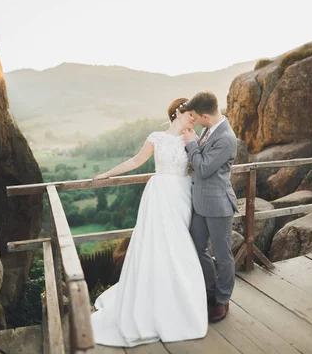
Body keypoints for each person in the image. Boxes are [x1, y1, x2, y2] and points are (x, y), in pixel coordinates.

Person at [90, 98, 208, 347]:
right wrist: (107, 174)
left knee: (180, 247)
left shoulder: (192, 137)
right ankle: (156, 302)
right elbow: (135, 161)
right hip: (161, 194)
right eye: (190, 114)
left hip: (183, 195)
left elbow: (197, 167)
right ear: (178, 112)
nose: (194, 118)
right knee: (159, 245)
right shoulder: (156, 137)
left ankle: (181, 300)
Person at [181, 91, 238, 323]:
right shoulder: (208, 129)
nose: (193, 120)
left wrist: (190, 144)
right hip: (200, 204)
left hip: (218, 205)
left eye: (195, 116)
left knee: (223, 255)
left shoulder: (226, 137)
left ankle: (223, 299)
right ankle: (209, 290)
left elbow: (203, 168)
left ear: (205, 115)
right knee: (197, 247)